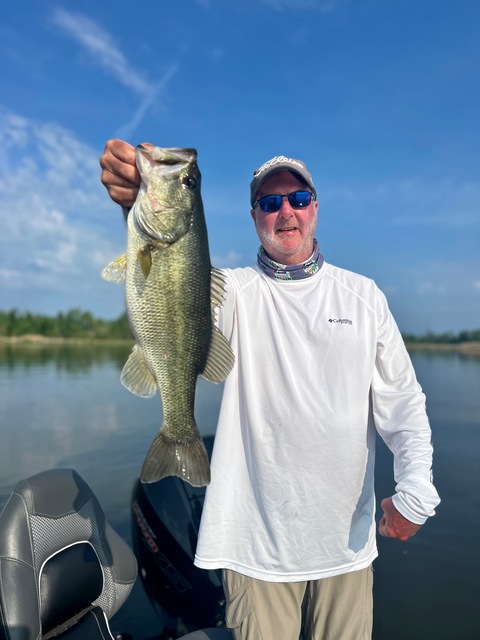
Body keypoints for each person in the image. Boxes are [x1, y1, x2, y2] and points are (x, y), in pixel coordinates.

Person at [100, 141, 440, 640]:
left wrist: (416, 492)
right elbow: (173, 286)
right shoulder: (231, 290)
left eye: (298, 199)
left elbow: (403, 404)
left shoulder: (363, 297)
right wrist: (133, 203)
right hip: (252, 547)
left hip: (346, 546)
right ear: (254, 215)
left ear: (315, 209)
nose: (285, 211)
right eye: (269, 201)